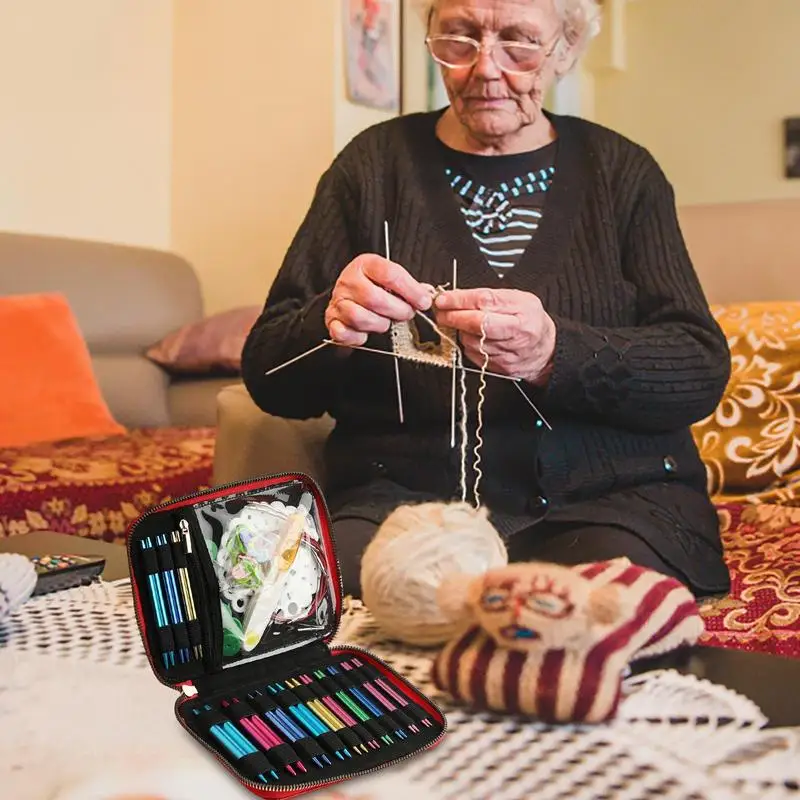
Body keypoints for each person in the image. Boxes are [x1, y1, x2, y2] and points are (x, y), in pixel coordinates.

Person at [241, 0, 732, 599]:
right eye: (460, 37)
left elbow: (698, 365)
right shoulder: (371, 166)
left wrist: (556, 353)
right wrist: (329, 322)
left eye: (518, 42)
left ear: (566, 49)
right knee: (313, 609)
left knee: (586, 612)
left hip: (608, 501)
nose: (485, 68)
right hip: (405, 506)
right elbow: (269, 374)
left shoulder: (623, 173)